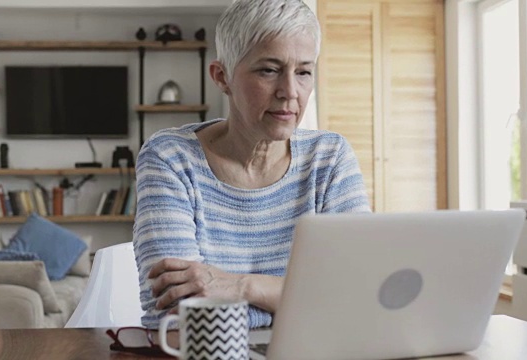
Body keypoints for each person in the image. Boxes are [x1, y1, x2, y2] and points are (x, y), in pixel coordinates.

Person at [133, 0, 370, 329]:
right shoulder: (170, 159)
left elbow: (360, 296)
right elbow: (176, 313)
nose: (290, 92)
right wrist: (307, 301)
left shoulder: (329, 158)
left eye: (303, 72)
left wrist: (241, 286)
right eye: (269, 70)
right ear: (222, 77)